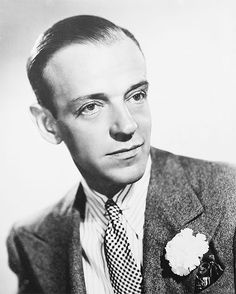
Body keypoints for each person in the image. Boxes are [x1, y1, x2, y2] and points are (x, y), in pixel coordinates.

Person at [6, 15, 236, 294]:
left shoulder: (227, 193)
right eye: (91, 107)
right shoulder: (31, 241)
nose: (128, 125)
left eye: (136, 95)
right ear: (48, 124)